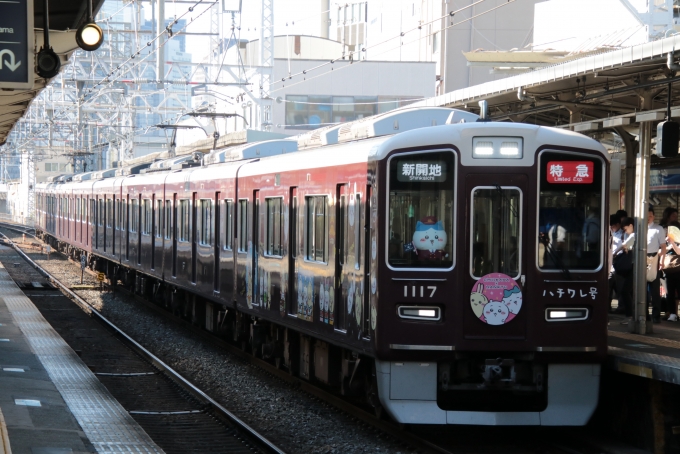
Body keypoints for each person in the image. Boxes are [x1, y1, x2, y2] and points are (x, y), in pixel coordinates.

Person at [647, 206, 667, 323]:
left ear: (653, 216)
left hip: (654, 258)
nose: (649, 218)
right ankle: (644, 314)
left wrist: (662, 261)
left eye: (650, 215)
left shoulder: (658, 229)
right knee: (642, 289)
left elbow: (663, 247)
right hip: (642, 259)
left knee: (654, 289)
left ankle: (656, 314)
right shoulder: (640, 228)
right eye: (647, 216)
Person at [614, 217, 635, 324]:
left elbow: (624, 245)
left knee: (625, 291)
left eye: (625, 229)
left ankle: (630, 316)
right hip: (633, 266)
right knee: (628, 291)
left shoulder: (634, 235)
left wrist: (614, 253)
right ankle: (632, 316)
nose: (625, 231)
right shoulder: (636, 235)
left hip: (633, 267)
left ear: (631, 226)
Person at [661, 207, 680, 321]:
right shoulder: (662, 228)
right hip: (667, 262)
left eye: (676, 215)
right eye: (673, 215)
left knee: (676, 288)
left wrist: (672, 243)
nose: (675, 217)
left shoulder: (678, 228)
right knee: (669, 289)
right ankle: (671, 312)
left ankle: (674, 313)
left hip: (677, 262)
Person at [609, 214, 624, 313]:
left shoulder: (623, 234)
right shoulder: (609, 232)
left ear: (618, 224)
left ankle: (621, 307)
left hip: (619, 261)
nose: (612, 228)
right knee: (609, 287)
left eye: (613, 226)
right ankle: (607, 306)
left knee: (620, 287)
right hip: (610, 262)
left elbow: (624, 247)